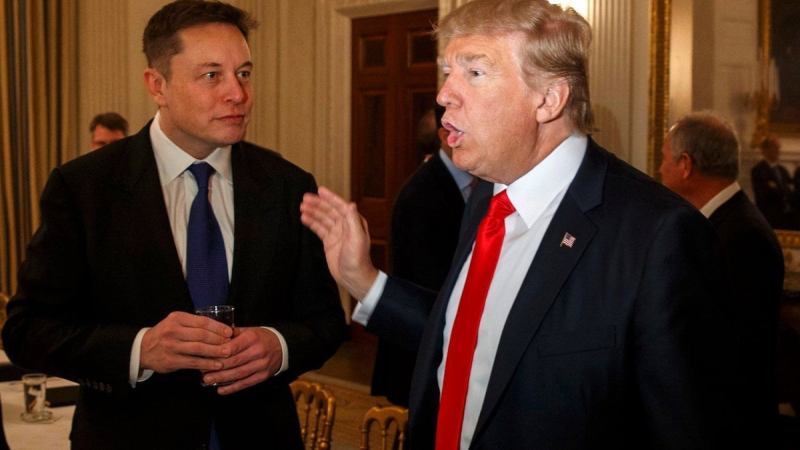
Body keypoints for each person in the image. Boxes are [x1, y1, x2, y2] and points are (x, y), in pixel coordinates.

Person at [301, 1, 736, 448]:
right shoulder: (487, 198)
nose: (445, 94)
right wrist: (364, 279)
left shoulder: (661, 236)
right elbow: (473, 339)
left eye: (475, 72)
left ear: (548, 99)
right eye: (448, 72)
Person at [2, 1, 346, 449]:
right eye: (212, 75)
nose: (238, 94)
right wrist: (139, 349)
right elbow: (27, 331)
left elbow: (324, 321)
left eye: (244, 73)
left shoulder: (286, 185)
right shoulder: (84, 188)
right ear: (157, 85)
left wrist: (278, 346)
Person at [660, 111, 784, 446]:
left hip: (731, 425)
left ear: (686, 165)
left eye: (664, 158)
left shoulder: (743, 235)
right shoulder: (721, 224)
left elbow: (728, 346)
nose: (659, 169)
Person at [372, 106, 474, 406]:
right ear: (445, 135)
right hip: (421, 346)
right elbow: (426, 280)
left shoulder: (483, 182)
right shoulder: (420, 195)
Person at [752, 134, 796, 228]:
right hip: (770, 218)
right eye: (775, 147)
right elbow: (764, 196)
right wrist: (782, 190)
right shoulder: (759, 170)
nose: (778, 150)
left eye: (778, 147)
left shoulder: (783, 171)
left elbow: (790, 192)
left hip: (787, 218)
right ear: (765, 150)